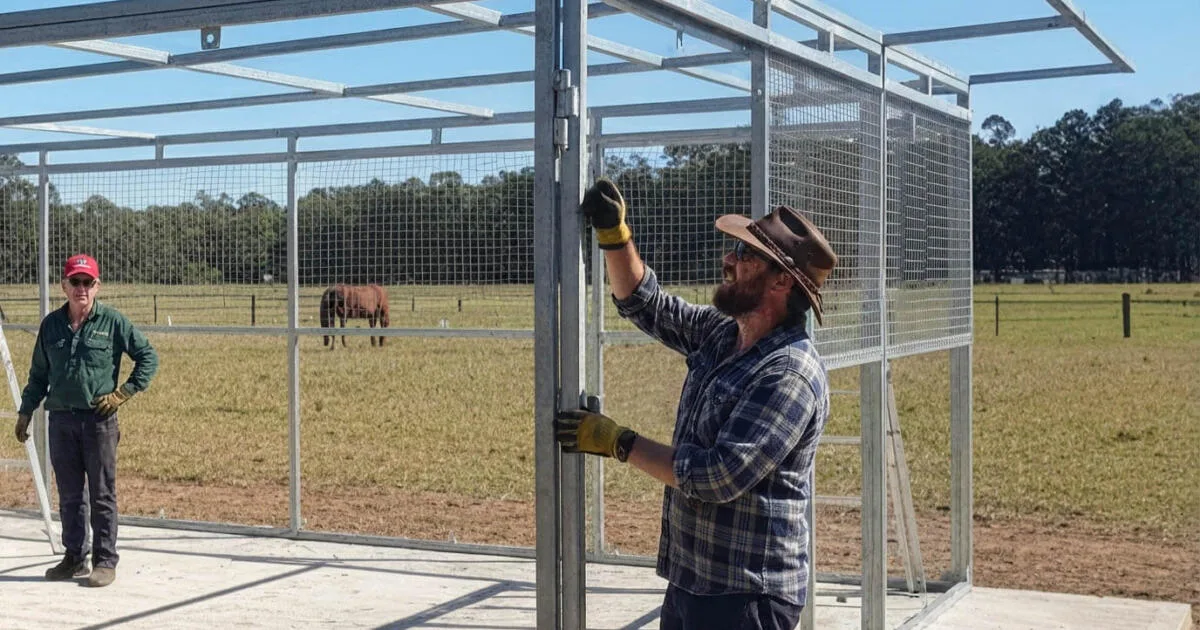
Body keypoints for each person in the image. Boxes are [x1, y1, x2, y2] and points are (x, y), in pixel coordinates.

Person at [556, 179, 837, 630]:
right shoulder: (726, 333)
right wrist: (615, 237)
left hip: (747, 598)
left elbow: (715, 476)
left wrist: (618, 441)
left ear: (782, 280)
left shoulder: (789, 373)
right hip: (695, 579)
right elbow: (648, 305)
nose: (730, 260)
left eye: (746, 256)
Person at [14, 253, 158, 588]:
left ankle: (105, 560)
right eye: (75, 282)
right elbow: (38, 375)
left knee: (102, 492)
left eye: (88, 282)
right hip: (61, 420)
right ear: (63, 285)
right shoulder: (51, 325)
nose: (81, 288)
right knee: (69, 493)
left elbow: (148, 356)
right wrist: (26, 410)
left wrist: (123, 393)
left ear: (97, 286)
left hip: (99, 421)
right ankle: (74, 557)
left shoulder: (112, 322)